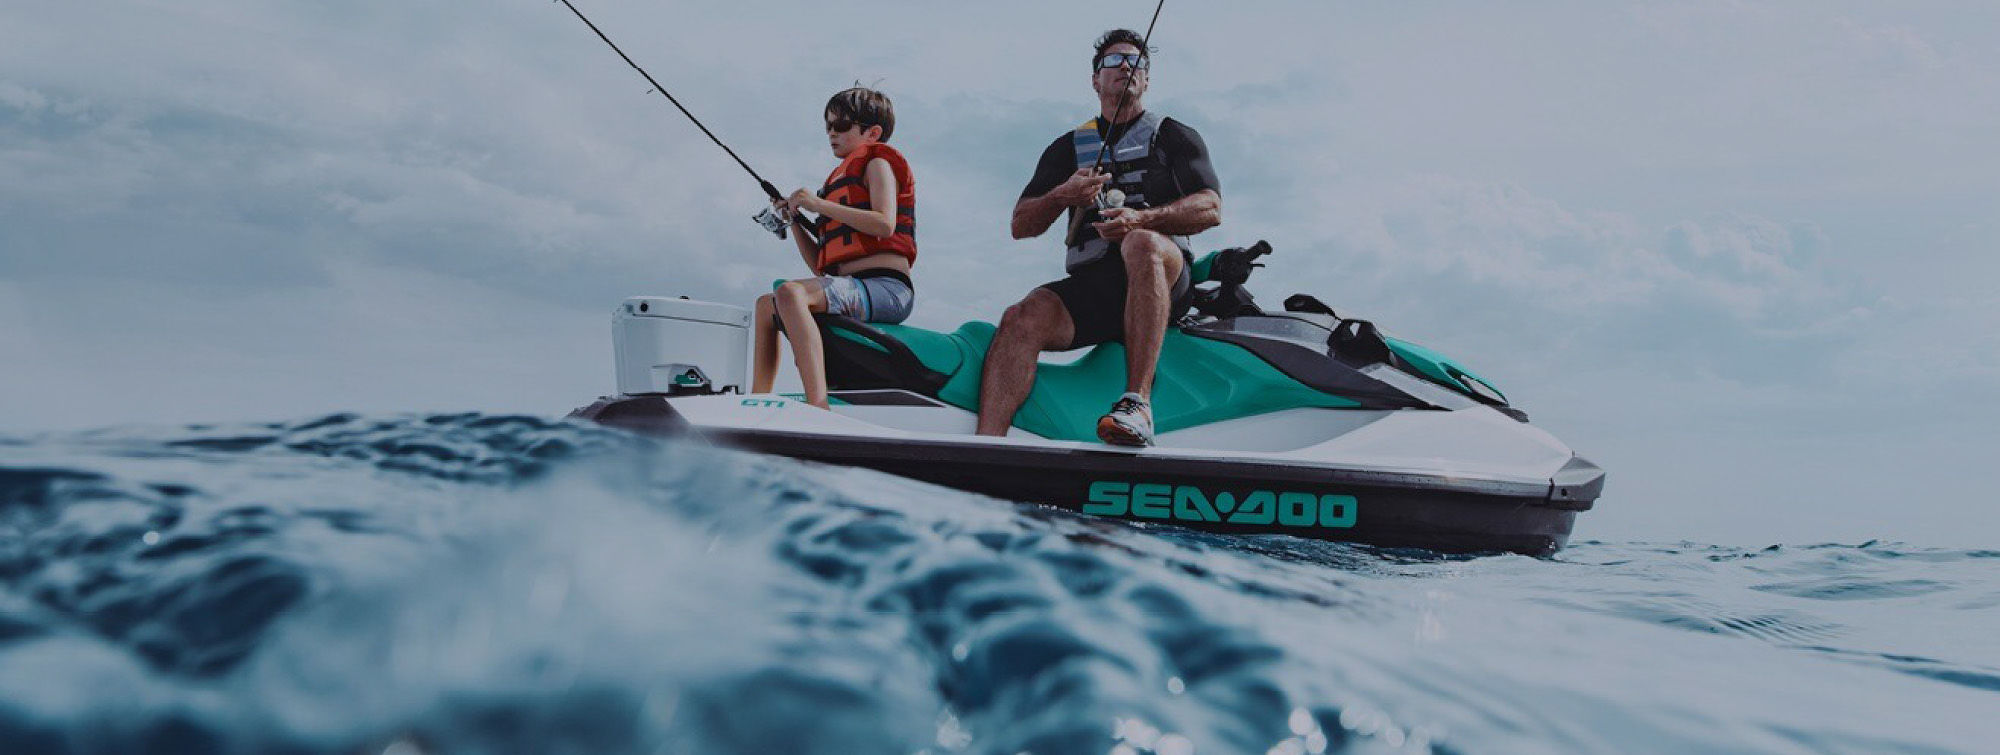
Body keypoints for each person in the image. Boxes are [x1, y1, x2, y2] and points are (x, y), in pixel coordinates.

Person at [976, 29, 1222, 446]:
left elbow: (1211, 207)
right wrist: (1063, 195)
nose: (1126, 66)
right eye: (1114, 60)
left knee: (1139, 243)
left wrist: (1142, 218)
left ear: (1146, 79)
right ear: (1095, 79)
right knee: (1022, 317)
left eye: (1136, 61)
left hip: (1164, 277)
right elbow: (1021, 225)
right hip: (1096, 290)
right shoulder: (1066, 148)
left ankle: (1137, 406)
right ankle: (986, 447)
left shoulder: (1174, 135)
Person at [750, 87, 918, 409]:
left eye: (840, 126)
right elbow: (820, 269)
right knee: (765, 305)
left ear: (872, 132)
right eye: (827, 126)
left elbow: (885, 224)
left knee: (790, 292)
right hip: (853, 286)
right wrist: (795, 219)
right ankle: (757, 401)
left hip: (888, 290)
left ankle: (819, 405)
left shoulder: (878, 162)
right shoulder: (834, 187)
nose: (831, 134)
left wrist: (817, 205)